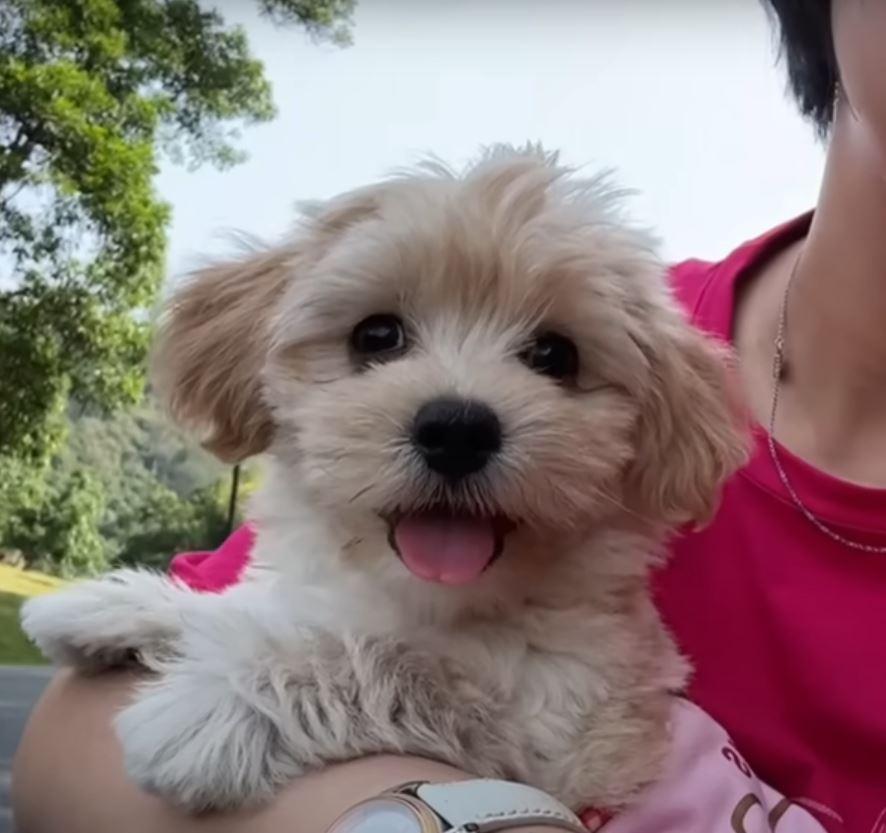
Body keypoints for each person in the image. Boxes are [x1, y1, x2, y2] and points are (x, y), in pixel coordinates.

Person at [12, 1, 886, 831]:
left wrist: (297, 689)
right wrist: (198, 626)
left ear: (659, 423)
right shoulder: (337, 563)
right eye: (380, 337)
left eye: (552, 357)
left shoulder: (572, 657)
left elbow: (535, 729)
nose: (461, 408)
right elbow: (83, 748)